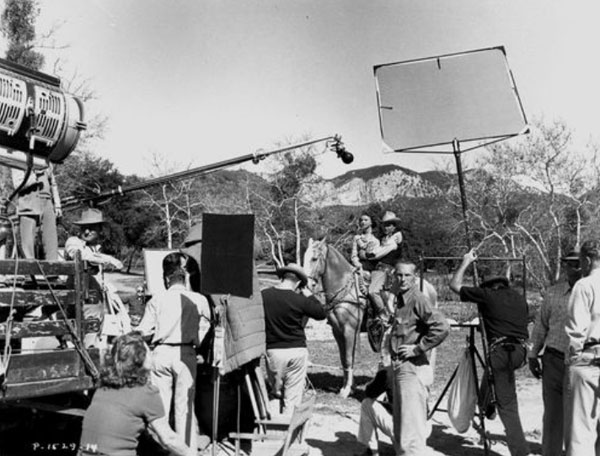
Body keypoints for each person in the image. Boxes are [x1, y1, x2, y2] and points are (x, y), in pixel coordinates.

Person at [450, 249, 530, 456]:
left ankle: (520, 451)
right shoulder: (519, 298)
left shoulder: (487, 295)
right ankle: (486, 405)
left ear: (489, 286)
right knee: (493, 375)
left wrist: (466, 261)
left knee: (508, 405)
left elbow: (454, 286)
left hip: (500, 352)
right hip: (520, 352)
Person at [137, 251, 212, 451]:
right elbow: (207, 325)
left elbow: (144, 330)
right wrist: (197, 340)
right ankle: (186, 450)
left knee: (160, 407)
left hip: (161, 352)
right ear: (184, 276)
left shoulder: (157, 299)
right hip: (185, 353)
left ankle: (160, 447)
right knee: (184, 407)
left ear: (167, 277)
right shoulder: (199, 299)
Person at [79, 331, 196, 456]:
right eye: (148, 352)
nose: (151, 354)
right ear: (140, 359)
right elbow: (169, 439)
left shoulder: (102, 389)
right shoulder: (146, 393)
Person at [386, 259, 449, 455]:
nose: (402, 279)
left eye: (407, 275)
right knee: (401, 428)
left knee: (410, 433)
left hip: (411, 368)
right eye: (399, 275)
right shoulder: (400, 299)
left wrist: (418, 348)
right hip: (399, 366)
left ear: (414, 278)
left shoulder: (418, 299)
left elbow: (442, 327)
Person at [528, 247, 580, 456]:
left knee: (579, 417)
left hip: (581, 363)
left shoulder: (595, 290)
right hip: (554, 360)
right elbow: (541, 326)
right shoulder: (553, 293)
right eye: (569, 263)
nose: (573, 268)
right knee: (552, 416)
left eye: (577, 263)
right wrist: (533, 354)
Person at [262, 262, 327, 414]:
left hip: (273, 351)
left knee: (275, 392)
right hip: (296, 350)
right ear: (298, 282)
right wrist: (310, 295)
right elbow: (321, 313)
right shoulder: (301, 300)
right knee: (292, 397)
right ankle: (287, 431)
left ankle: (273, 425)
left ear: (283, 277)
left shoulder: (264, 296)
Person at [565, 239, 600, 456]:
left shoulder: (584, 285)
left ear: (587, 260)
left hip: (589, 358)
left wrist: (573, 357)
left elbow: (576, 329)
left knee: (581, 432)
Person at [15, 164, 61, 260]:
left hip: (47, 201)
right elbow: (17, 184)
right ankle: (29, 272)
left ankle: (52, 272)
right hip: (28, 201)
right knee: (28, 242)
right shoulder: (18, 158)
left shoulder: (45, 160)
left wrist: (57, 205)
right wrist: (35, 175)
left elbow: (53, 184)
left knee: (51, 240)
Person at [366, 211, 403, 319]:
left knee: (372, 291)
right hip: (376, 269)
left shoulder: (394, 240)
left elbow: (377, 254)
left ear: (394, 226)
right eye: (384, 225)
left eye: (389, 225)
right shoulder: (384, 239)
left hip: (385, 270)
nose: (386, 227)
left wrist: (369, 255)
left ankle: (384, 315)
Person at [356, 367, 394, 456]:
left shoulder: (388, 372)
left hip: (403, 432)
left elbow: (369, 392)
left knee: (366, 404)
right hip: (423, 429)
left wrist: (381, 373)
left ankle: (373, 452)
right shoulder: (421, 369)